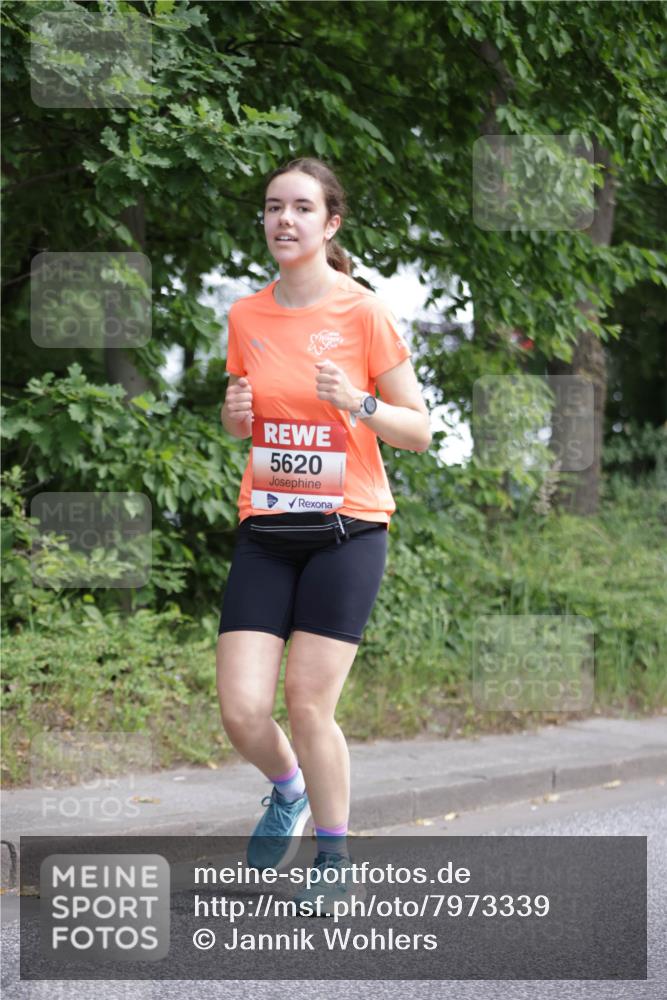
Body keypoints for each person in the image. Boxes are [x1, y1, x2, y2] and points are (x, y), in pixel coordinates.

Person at [217, 156, 430, 913]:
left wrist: (360, 404)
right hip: (268, 526)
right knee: (242, 709)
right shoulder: (246, 316)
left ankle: (334, 859)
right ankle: (288, 791)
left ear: (329, 223)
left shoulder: (362, 312)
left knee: (308, 705)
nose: (285, 219)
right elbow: (241, 416)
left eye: (302, 207)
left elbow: (419, 432)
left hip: (348, 529)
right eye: (274, 206)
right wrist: (234, 419)